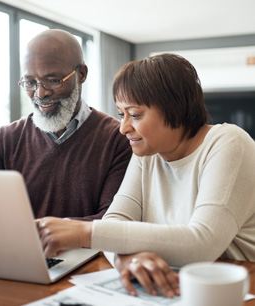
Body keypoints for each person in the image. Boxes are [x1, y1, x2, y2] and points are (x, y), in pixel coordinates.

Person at [35, 53, 255, 297]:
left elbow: (202, 243)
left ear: (176, 110)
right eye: (121, 114)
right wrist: (125, 260)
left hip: (231, 291)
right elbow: (114, 222)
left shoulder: (229, 143)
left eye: (135, 115)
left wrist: (84, 233)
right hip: (173, 288)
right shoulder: (147, 154)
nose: (123, 127)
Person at [0, 29, 132, 221]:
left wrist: (36, 232)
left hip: (88, 252)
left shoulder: (118, 139)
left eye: (53, 81)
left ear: (81, 74)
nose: (40, 94)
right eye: (30, 83)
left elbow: (112, 222)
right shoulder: (2, 141)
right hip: (12, 250)